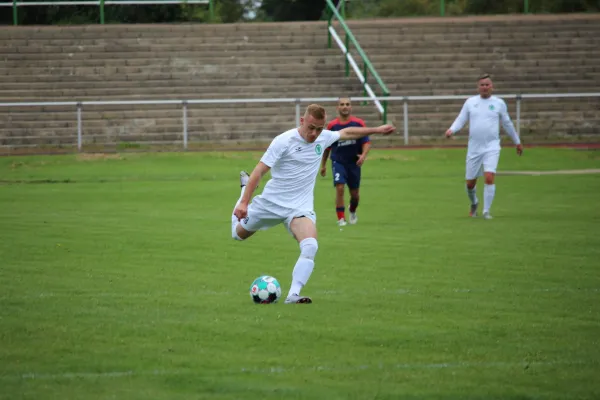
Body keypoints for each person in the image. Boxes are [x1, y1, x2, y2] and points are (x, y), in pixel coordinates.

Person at [231, 104, 395, 304]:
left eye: (319, 128)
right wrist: (245, 202)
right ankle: (242, 192)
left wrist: (376, 130)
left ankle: (293, 294)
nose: (315, 133)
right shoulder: (283, 141)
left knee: (310, 246)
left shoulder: (323, 137)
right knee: (237, 235)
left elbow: (347, 132)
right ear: (302, 121)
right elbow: (259, 171)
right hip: (271, 204)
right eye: (311, 128)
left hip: (299, 208)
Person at [445, 73, 524, 219]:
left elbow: (507, 124)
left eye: (487, 84)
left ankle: (486, 211)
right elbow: (461, 119)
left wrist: (517, 142)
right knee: (470, 183)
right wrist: (452, 129)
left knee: (489, 177)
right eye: (482, 85)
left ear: (492, 87)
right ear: (478, 87)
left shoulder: (499, 103)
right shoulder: (470, 102)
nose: (485, 87)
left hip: (492, 147)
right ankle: (474, 202)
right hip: (474, 148)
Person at [319, 97, 371, 226]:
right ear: (337, 107)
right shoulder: (333, 126)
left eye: (347, 104)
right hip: (338, 161)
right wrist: (323, 165)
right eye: (342, 104)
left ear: (351, 107)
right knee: (340, 187)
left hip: (354, 163)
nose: (345, 106)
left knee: (355, 195)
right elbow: (327, 147)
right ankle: (341, 218)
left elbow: (366, 142)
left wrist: (363, 155)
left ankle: (352, 210)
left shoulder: (358, 124)